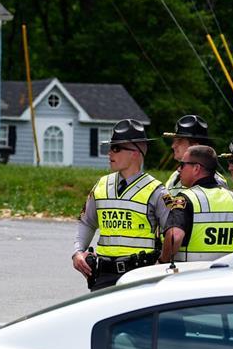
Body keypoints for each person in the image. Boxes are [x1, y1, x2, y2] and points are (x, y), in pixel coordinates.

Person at [73, 119, 171, 290]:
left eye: (116, 148)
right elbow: (87, 222)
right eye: (110, 147)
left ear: (135, 152)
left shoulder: (157, 191)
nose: (109, 153)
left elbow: (171, 233)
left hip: (140, 274)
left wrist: (162, 262)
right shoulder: (101, 184)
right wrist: (78, 252)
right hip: (103, 275)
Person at [160, 145, 233, 263]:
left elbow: (174, 237)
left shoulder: (186, 199)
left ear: (196, 168)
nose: (179, 169)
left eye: (183, 165)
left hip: (190, 276)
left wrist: (163, 261)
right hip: (224, 277)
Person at [162, 114, 227, 189]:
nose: (173, 146)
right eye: (174, 141)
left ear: (195, 146)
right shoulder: (175, 175)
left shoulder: (215, 182)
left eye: (179, 140)